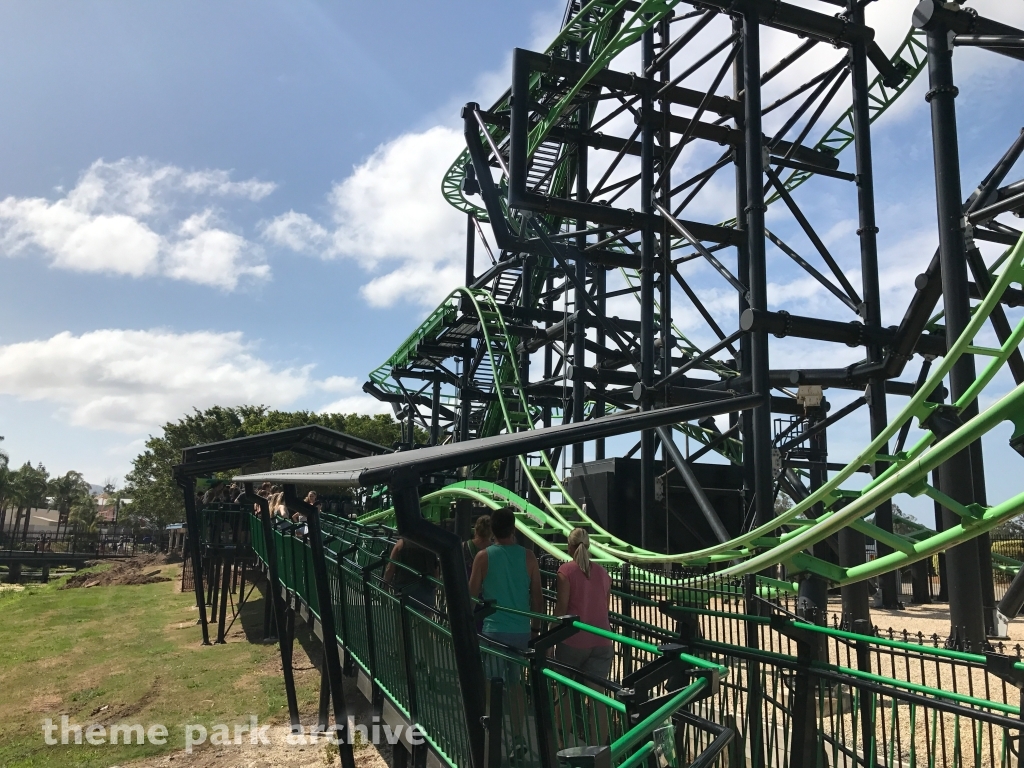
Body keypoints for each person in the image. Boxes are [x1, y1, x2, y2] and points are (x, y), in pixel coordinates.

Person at [468, 506, 543, 652]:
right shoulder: (529, 557)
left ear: (493, 530)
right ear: (513, 529)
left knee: (492, 675)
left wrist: (468, 624)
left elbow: (472, 595)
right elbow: (537, 598)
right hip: (521, 631)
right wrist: (535, 629)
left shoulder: (483, 557)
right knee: (516, 675)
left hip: (493, 629)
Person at [553, 528, 613, 680]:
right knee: (596, 696)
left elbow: (561, 608)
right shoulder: (603, 573)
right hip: (602, 639)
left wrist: (548, 637)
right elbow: (605, 608)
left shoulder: (566, 571)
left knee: (565, 692)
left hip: (573, 639)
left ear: (570, 546)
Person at [384, 538, 439, 608]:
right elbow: (435, 569)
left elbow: (390, 569)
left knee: (403, 615)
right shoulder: (430, 545)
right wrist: (435, 586)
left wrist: (385, 587)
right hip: (426, 589)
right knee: (425, 614)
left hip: (404, 588)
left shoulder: (402, 544)